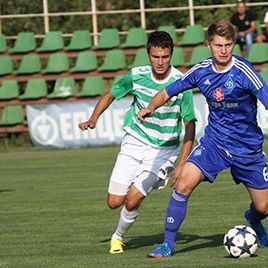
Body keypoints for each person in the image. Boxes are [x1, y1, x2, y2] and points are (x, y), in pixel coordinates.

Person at [138, 19, 268, 258]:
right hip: (214, 144)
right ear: (209, 45)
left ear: (233, 45)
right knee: (183, 182)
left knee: (264, 207)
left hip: (247, 148)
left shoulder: (244, 71)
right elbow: (168, 91)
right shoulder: (201, 71)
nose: (223, 50)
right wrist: (150, 107)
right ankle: (167, 245)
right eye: (218, 45)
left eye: (228, 44)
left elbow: (266, 96)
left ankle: (253, 219)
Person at [78, 31, 196, 254]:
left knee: (132, 201)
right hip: (135, 141)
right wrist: (93, 119)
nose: (160, 62)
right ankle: (120, 225)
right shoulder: (136, 75)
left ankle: (118, 237)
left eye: (165, 57)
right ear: (148, 54)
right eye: (155, 57)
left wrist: (182, 162)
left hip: (164, 150)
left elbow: (190, 124)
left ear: (171, 54)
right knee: (114, 201)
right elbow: (111, 94)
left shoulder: (181, 83)